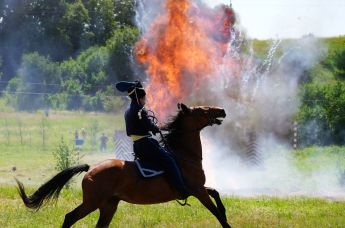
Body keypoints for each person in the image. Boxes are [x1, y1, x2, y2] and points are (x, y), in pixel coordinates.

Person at [115, 80, 190, 199]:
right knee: (169, 161)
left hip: (137, 145)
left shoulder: (128, 111)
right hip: (146, 144)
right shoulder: (140, 110)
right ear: (139, 98)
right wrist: (157, 128)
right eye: (144, 98)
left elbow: (139, 127)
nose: (145, 100)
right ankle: (181, 189)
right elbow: (149, 126)